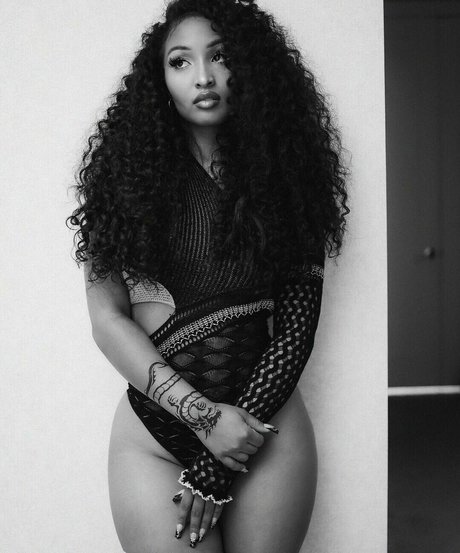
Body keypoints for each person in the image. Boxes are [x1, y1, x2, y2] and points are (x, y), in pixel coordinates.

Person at [67, 0, 349, 551]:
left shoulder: (289, 175)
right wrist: (203, 422)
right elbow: (107, 320)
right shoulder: (121, 178)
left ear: (248, 66)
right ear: (160, 79)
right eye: (180, 61)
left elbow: (295, 333)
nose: (203, 76)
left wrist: (219, 463)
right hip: (154, 439)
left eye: (219, 56)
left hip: (267, 431)